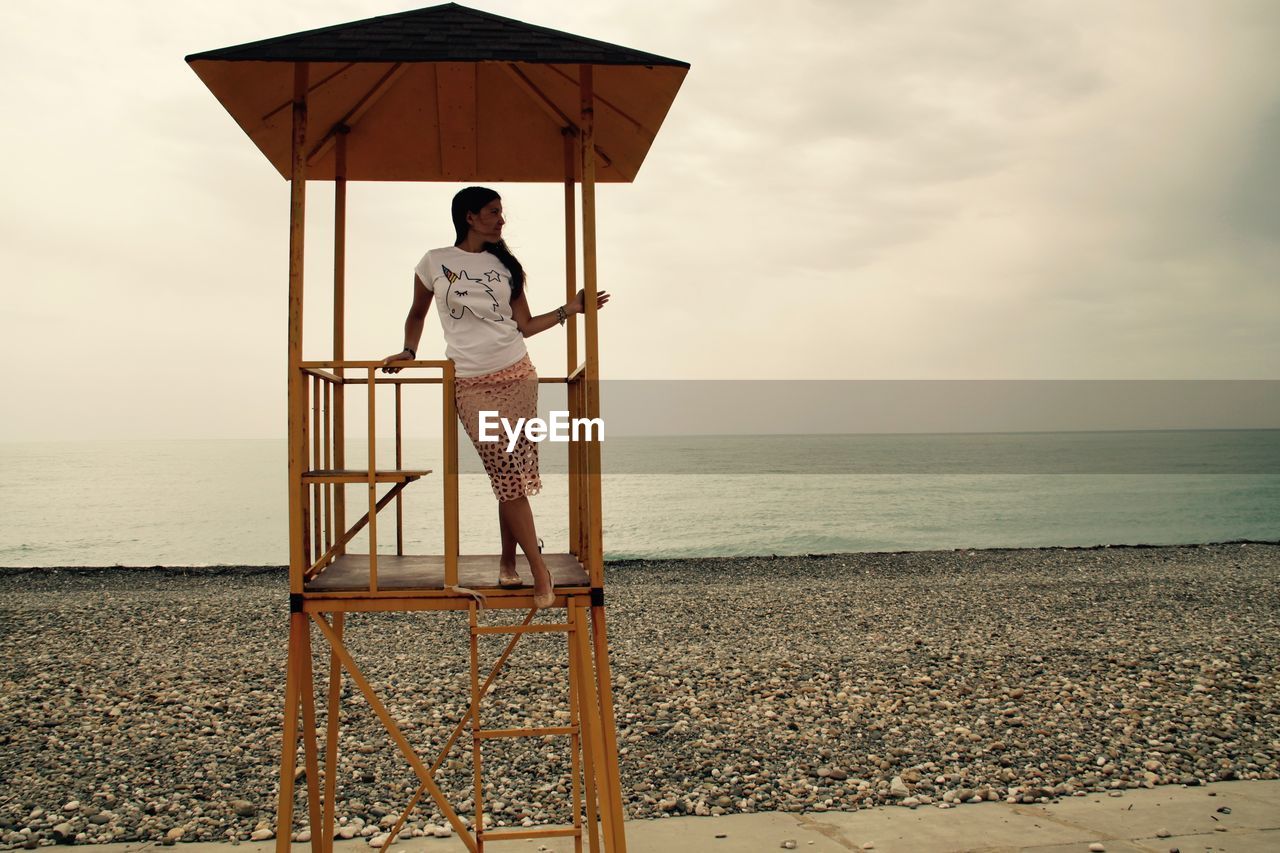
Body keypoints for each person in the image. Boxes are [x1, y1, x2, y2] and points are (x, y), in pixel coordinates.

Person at [382, 186, 608, 609]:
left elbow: (522, 324)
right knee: (503, 467)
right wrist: (409, 352)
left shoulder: (506, 267)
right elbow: (417, 314)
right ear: (469, 216)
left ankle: (510, 561)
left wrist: (570, 309)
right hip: (469, 382)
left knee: (512, 473)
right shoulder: (434, 261)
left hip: (518, 375)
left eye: (501, 212)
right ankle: (539, 569)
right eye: (493, 212)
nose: (502, 220)